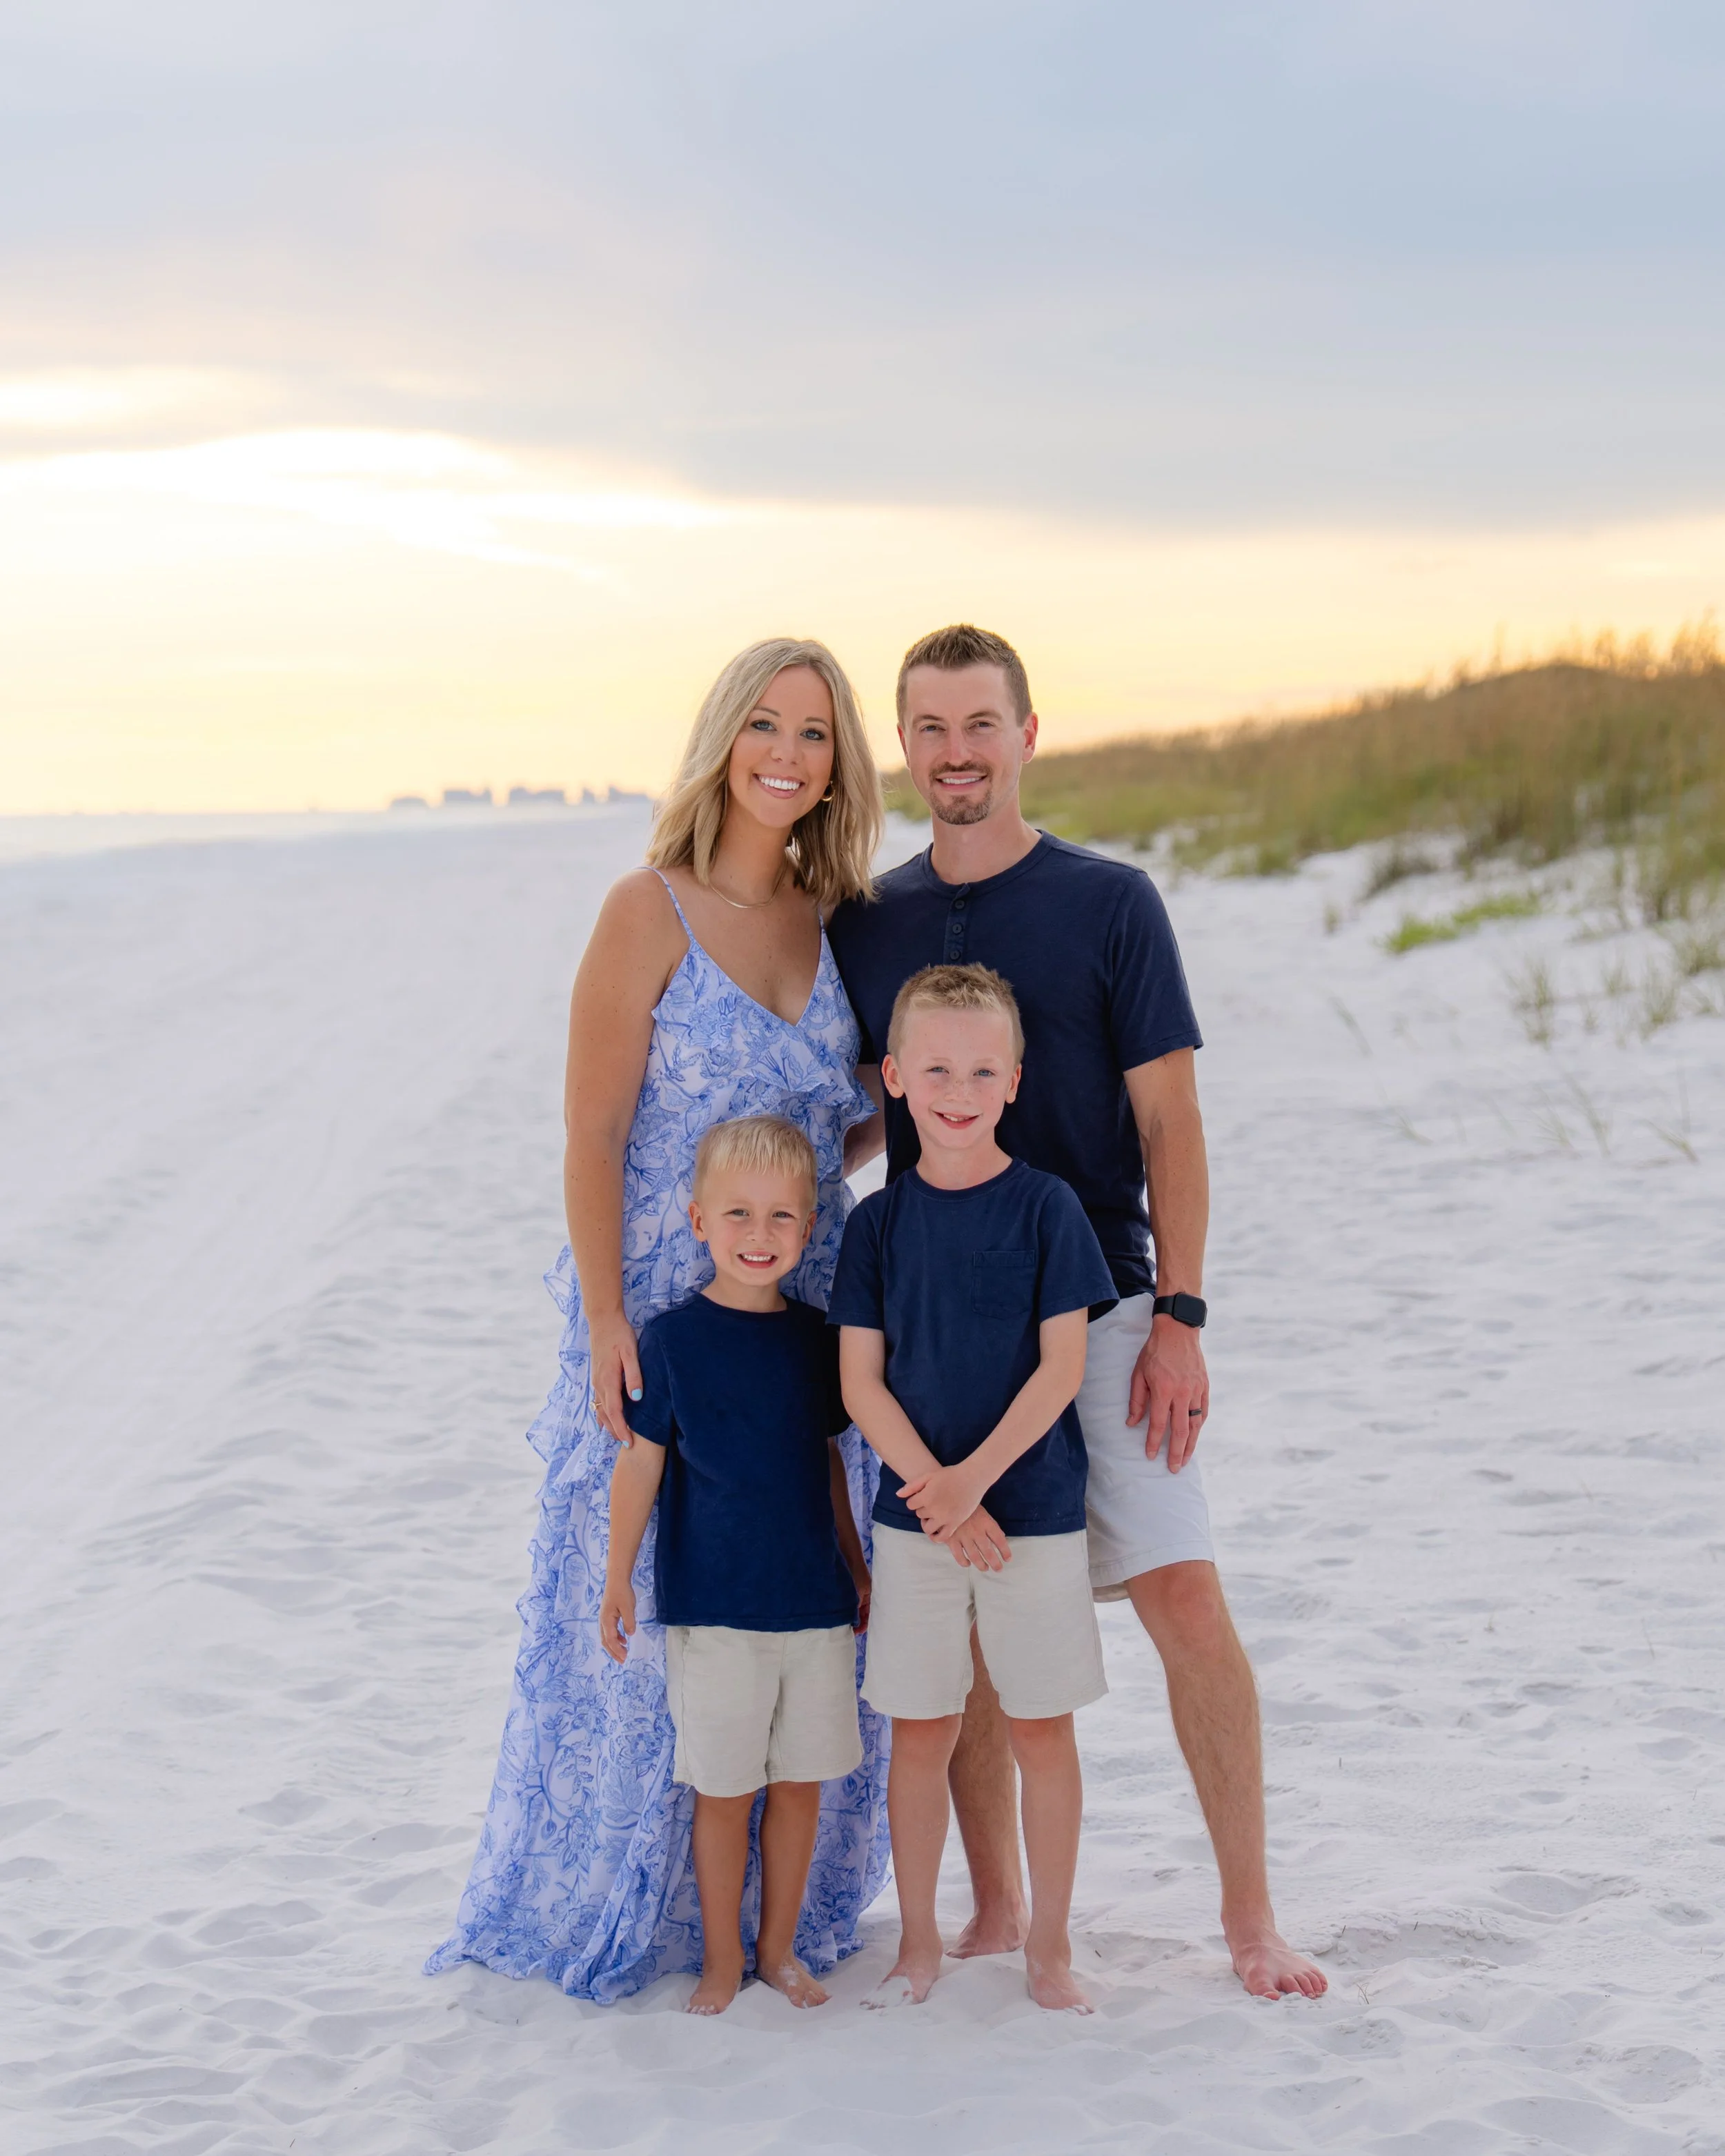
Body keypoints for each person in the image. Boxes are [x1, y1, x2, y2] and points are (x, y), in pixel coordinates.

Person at [828, 623, 1327, 2001]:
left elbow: (1170, 1119)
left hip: (1100, 1303)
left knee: (1177, 1587)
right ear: (905, 745)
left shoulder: (1110, 903)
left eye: (977, 723)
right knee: (973, 1605)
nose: (953, 751)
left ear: (1027, 732)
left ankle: (1248, 1916)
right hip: (934, 1325)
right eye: (925, 727)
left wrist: (1181, 1310)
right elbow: (868, 1118)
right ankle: (994, 1906)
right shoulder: (865, 922)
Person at [428, 637, 889, 2004]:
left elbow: (821, 1133)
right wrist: (604, 1316)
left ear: (833, 767)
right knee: (639, 1613)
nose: (787, 754)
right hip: (661, 1316)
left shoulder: (829, 920)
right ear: (720, 739)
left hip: (805, 1322)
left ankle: (767, 1920)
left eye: (814, 734)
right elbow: (590, 1132)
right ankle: (634, 1905)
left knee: (798, 1601)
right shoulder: (645, 907)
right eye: (764, 724)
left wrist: (899, 1122)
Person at [830, 963, 1117, 2014]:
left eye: (982, 1069)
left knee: (1042, 1729)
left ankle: (1048, 1949)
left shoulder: (1048, 1211)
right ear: (896, 1079)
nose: (960, 1087)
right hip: (914, 1526)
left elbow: (1061, 1371)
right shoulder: (876, 1226)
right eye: (937, 1067)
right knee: (922, 1730)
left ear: (1015, 1081)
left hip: (1028, 1518)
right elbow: (861, 1380)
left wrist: (974, 1486)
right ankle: (917, 1942)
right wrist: (932, 1491)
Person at [599, 1116, 871, 2015]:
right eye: (741, 1215)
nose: (762, 1236)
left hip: (814, 1608)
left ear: (808, 1227)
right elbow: (641, 1463)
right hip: (714, 1612)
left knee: (800, 1787)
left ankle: (780, 1951)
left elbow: (828, 1460)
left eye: (783, 1218)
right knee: (724, 1793)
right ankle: (723, 1961)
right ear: (698, 1220)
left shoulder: (817, 1340)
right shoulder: (672, 1341)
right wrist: (615, 1578)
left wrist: (852, 1565)